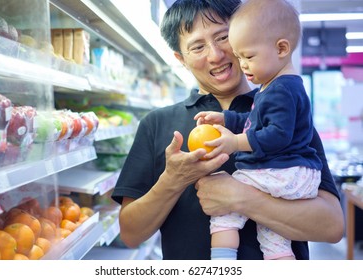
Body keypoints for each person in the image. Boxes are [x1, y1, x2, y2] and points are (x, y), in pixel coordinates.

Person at [111, 0, 344, 260]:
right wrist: (173, 180)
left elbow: (332, 226)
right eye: (198, 47)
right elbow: (131, 234)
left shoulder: (284, 112)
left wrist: (242, 199)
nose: (216, 55)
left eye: (222, 37)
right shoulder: (156, 124)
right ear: (181, 59)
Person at [194, 0, 321, 260]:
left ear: (282, 48)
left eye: (249, 56)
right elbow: (255, 121)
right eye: (239, 57)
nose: (243, 65)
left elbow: (277, 135)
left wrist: (236, 143)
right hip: (291, 173)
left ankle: (222, 264)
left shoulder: (282, 89)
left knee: (225, 204)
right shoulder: (275, 85)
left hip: (285, 171)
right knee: (273, 235)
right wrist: (226, 119)